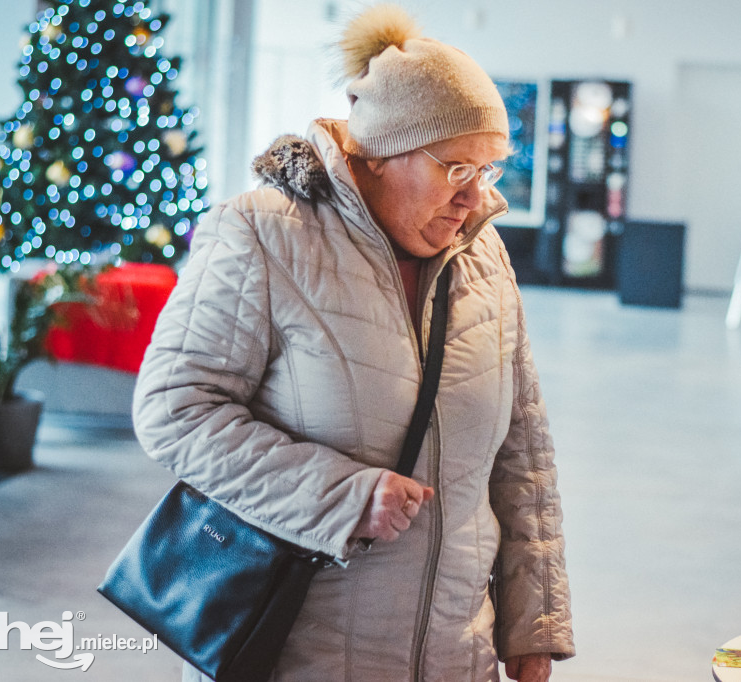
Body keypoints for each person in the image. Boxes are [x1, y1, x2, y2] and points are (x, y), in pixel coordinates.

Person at [132, 5, 574, 680]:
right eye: (456, 168)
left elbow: (523, 451)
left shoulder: (486, 259)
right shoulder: (262, 235)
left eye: (488, 170)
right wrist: (340, 496)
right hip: (299, 652)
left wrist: (531, 621)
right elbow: (174, 409)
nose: (474, 197)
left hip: (457, 656)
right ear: (381, 152)